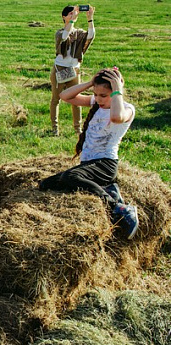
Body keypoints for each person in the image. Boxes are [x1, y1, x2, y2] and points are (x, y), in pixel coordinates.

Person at [39, 67, 139, 239]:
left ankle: (118, 207)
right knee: (45, 184)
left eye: (103, 95)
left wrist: (118, 91)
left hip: (105, 164)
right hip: (89, 164)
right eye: (96, 94)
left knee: (69, 178)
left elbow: (116, 118)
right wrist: (90, 83)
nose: (98, 99)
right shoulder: (95, 103)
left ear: (115, 92)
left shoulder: (126, 109)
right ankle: (108, 188)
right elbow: (65, 96)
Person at [50, 5, 95, 136]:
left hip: (74, 71)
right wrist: (72, 21)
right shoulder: (59, 33)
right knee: (55, 99)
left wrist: (90, 19)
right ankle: (55, 128)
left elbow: (90, 36)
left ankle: (77, 129)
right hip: (59, 70)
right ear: (64, 17)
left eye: (74, 13)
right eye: (69, 14)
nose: (72, 15)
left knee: (76, 100)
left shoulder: (78, 33)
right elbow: (65, 36)